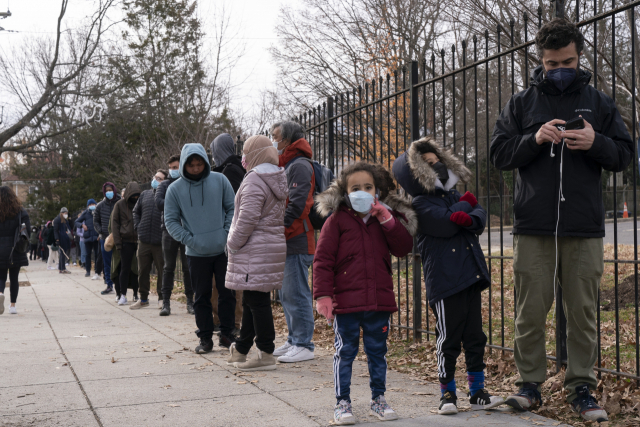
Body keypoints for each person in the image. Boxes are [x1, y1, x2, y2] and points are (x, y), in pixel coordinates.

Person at [489, 19, 633, 423]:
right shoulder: (521, 104)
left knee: (584, 312)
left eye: (567, 61)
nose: (560, 69)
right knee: (529, 311)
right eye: (552, 63)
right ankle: (529, 386)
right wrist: (532, 140)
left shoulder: (600, 103)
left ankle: (582, 388)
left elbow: (624, 154)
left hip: (583, 225)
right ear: (541, 60)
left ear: (580, 55)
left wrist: (595, 142)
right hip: (534, 226)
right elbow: (498, 154)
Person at [393, 138, 505, 415]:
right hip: (445, 283)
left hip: (469, 276)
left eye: (438, 160)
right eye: (429, 164)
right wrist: (466, 208)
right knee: (448, 338)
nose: (438, 166)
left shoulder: (454, 197)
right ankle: (447, 393)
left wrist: (468, 211)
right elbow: (445, 224)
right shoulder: (419, 204)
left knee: (475, 336)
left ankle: (477, 390)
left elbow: (478, 214)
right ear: (416, 173)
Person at [314, 161, 416, 424]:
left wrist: (387, 219)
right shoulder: (336, 220)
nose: (362, 191)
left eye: (368, 187)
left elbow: (403, 247)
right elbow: (323, 259)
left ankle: (378, 399)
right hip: (345, 303)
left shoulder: (386, 218)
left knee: (377, 352)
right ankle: (342, 402)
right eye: (355, 187)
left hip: (378, 302)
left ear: (377, 190)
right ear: (345, 193)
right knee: (345, 352)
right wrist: (323, 295)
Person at [164, 143, 236, 353]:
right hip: (196, 252)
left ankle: (227, 333)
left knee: (227, 294)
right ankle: (205, 338)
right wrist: (190, 239)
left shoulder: (220, 180)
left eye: (199, 164)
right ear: (184, 165)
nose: (195, 168)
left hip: (222, 249)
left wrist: (225, 233)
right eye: (191, 165)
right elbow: (171, 221)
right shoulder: (174, 189)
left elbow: (232, 208)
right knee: (201, 296)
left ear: (205, 162)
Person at [225, 135, 287, 371]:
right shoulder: (275, 177)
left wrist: (232, 242)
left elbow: (247, 218)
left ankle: (266, 351)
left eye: (245, 152)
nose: (243, 157)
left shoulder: (254, 180)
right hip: (269, 245)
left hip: (254, 247)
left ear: (254, 154)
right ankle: (242, 348)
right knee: (253, 298)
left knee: (257, 300)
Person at [270, 121, 317, 363]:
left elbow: (298, 203)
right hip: (289, 237)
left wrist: (280, 228)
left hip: (296, 238)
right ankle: (293, 339)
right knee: (287, 293)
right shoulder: (288, 164)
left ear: (287, 140)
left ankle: (304, 344)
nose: (273, 140)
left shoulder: (298, 165)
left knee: (296, 292)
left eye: (275, 136)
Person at [211, 133, 247, 334]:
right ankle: (219, 320)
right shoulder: (225, 169)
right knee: (219, 280)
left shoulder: (231, 170)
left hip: (230, 231)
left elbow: (232, 203)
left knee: (233, 280)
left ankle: (234, 322)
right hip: (223, 230)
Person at [155, 155, 194, 315]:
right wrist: (179, 203)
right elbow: (159, 203)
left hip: (187, 229)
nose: (173, 170)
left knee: (187, 268)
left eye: (176, 167)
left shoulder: (189, 183)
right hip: (169, 230)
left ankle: (190, 302)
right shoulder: (164, 185)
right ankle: (166, 303)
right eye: (171, 167)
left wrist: (172, 204)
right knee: (168, 267)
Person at [131, 170, 167, 309]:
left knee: (162, 271)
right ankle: (143, 298)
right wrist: (138, 226)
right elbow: (136, 211)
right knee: (143, 270)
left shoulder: (166, 195)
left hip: (160, 241)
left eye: (159, 178)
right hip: (144, 239)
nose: (155, 180)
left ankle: (162, 299)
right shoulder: (144, 194)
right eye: (155, 177)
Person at [0, 186, 31, 315]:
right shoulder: (21, 212)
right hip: (15, 248)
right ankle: (12, 306)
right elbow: (27, 230)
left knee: (1, 277)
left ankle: (0, 293)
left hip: (0, 248)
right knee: (14, 278)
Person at [111, 182, 141, 305]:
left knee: (139, 269)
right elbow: (114, 224)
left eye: (137, 196)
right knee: (125, 268)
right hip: (126, 241)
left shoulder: (140, 203)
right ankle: (122, 294)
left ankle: (138, 293)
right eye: (133, 196)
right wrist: (118, 243)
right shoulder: (119, 205)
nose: (135, 198)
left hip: (139, 240)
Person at [94, 182, 121, 293]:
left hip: (119, 236)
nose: (109, 192)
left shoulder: (120, 203)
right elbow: (95, 221)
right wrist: (101, 231)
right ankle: (109, 284)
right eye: (107, 190)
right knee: (107, 262)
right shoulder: (100, 206)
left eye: (110, 190)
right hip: (105, 237)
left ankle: (120, 284)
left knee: (120, 261)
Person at [77, 199, 101, 279]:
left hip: (96, 237)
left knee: (97, 254)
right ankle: (88, 270)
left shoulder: (98, 212)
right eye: (90, 204)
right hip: (88, 237)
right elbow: (76, 222)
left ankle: (97, 271)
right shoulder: (85, 213)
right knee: (88, 254)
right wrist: (82, 225)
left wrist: (100, 234)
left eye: (93, 204)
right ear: (88, 206)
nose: (92, 205)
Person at [53, 207, 72, 274]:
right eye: (65, 213)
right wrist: (57, 239)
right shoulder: (57, 220)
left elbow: (68, 228)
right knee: (62, 253)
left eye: (66, 213)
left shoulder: (65, 220)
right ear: (62, 213)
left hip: (65, 238)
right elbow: (55, 230)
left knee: (63, 253)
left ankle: (61, 268)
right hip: (61, 238)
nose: (66, 214)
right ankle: (62, 268)